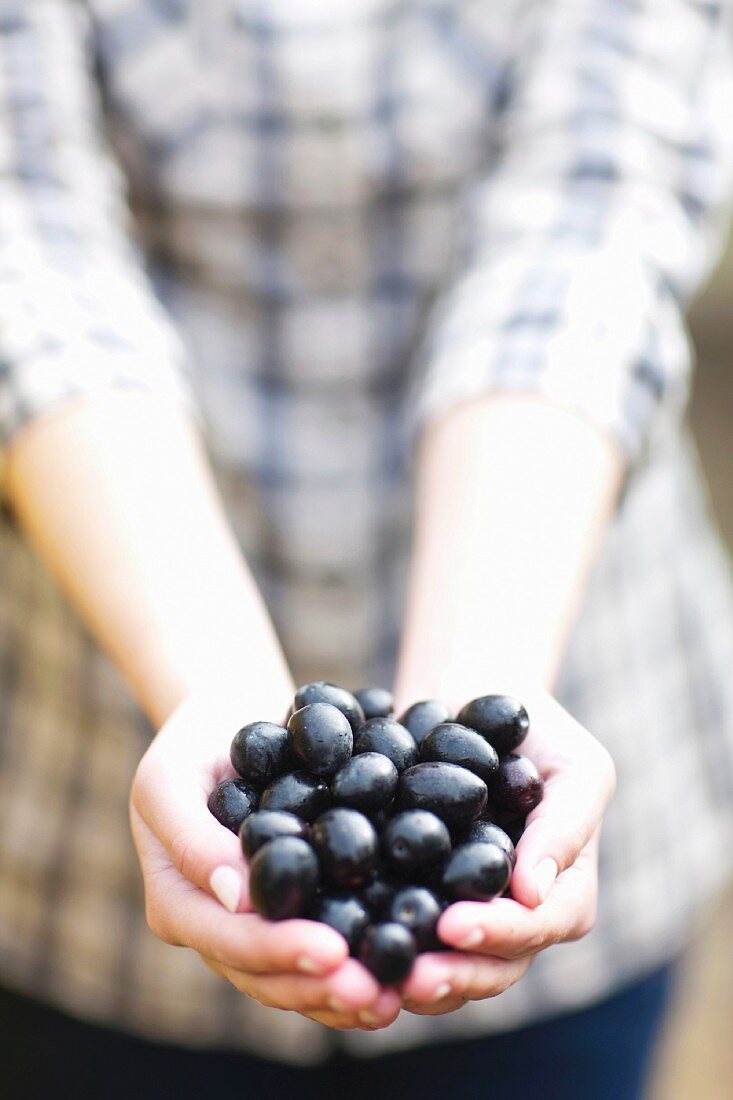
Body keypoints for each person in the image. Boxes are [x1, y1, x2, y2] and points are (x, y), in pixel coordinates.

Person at [1, 1, 733, 1097]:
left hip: (574, 666)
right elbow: (27, 244)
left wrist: (487, 699)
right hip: (74, 825)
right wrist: (216, 690)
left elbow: (593, 210)